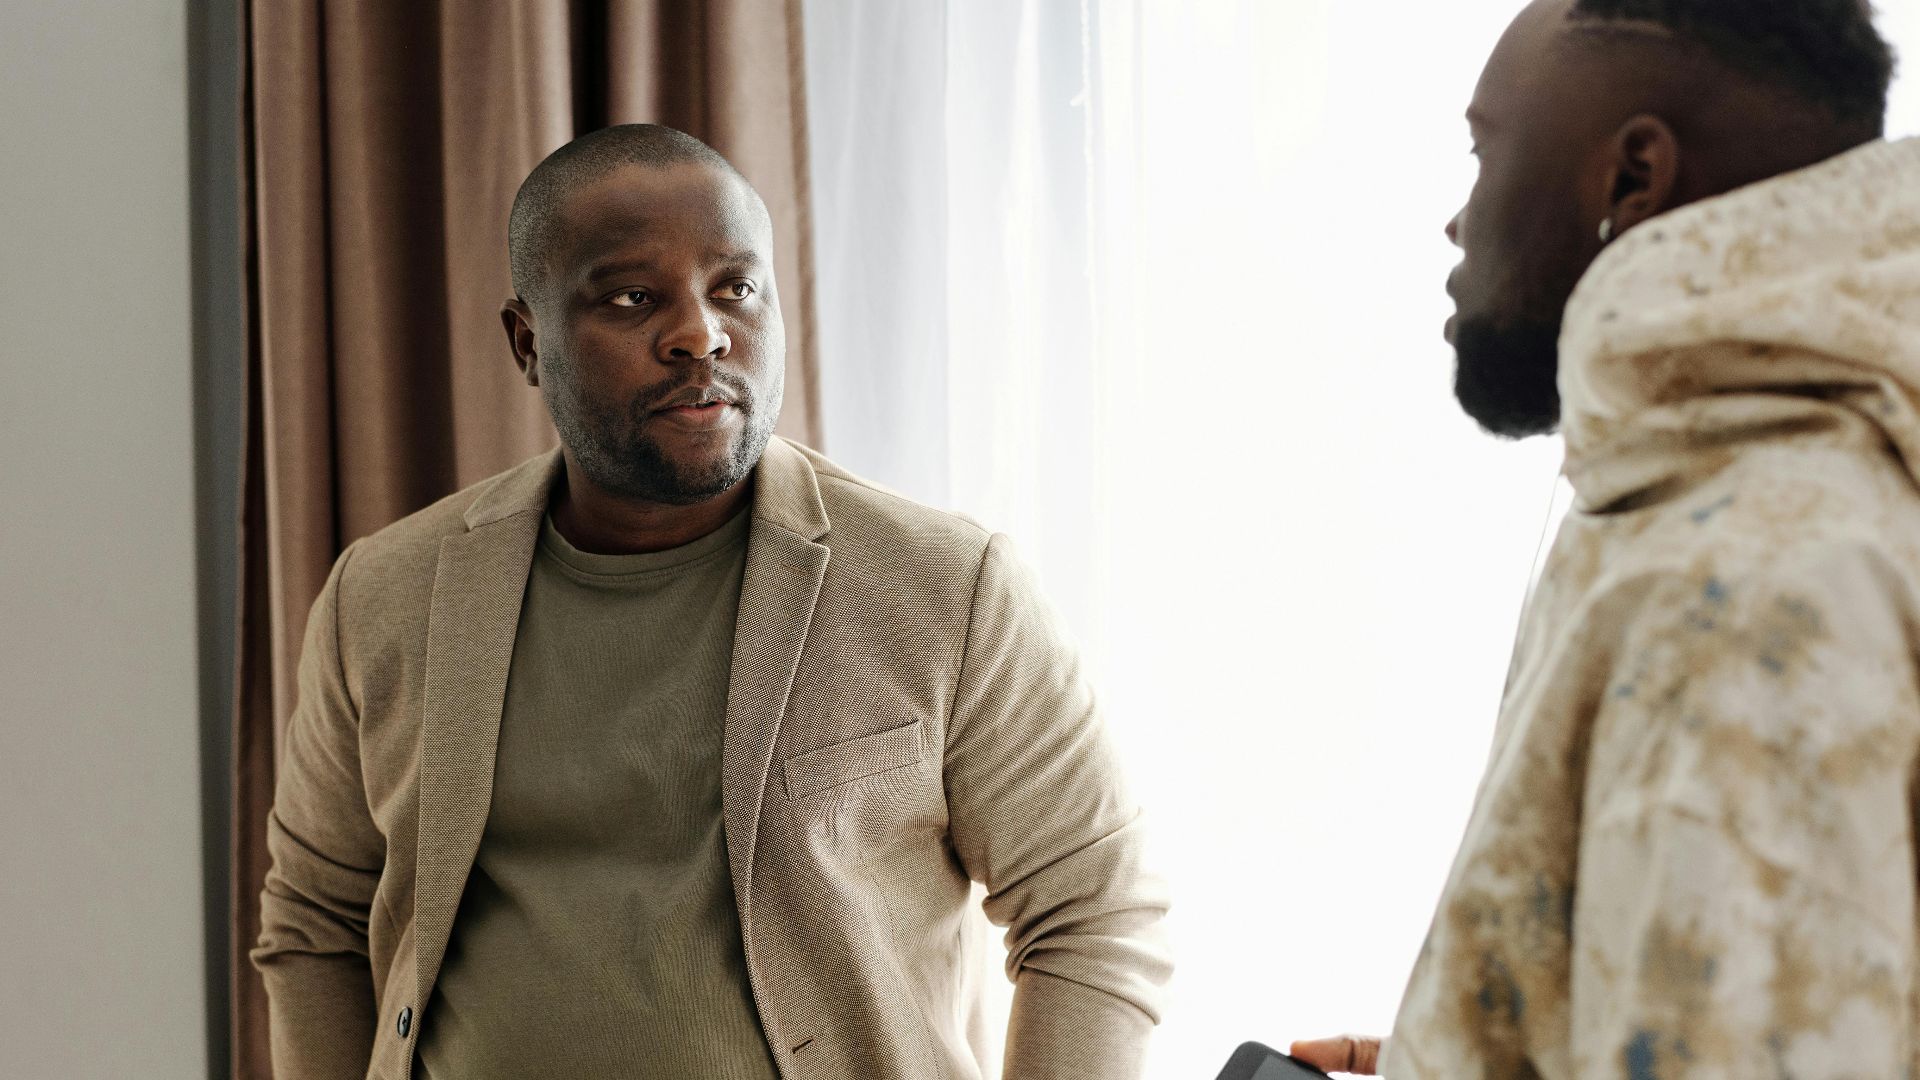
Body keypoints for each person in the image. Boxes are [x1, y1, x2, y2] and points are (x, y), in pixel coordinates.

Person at [251, 123, 1170, 1080]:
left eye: (735, 287)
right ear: (529, 341)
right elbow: (314, 921)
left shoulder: (946, 588)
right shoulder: (388, 594)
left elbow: (1092, 910)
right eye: (632, 297)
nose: (700, 331)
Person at [1295, 0, 1914, 1074]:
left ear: (1632, 179)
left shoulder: (1742, 586)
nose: (1459, 221)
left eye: (1484, 150)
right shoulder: (1732, 498)